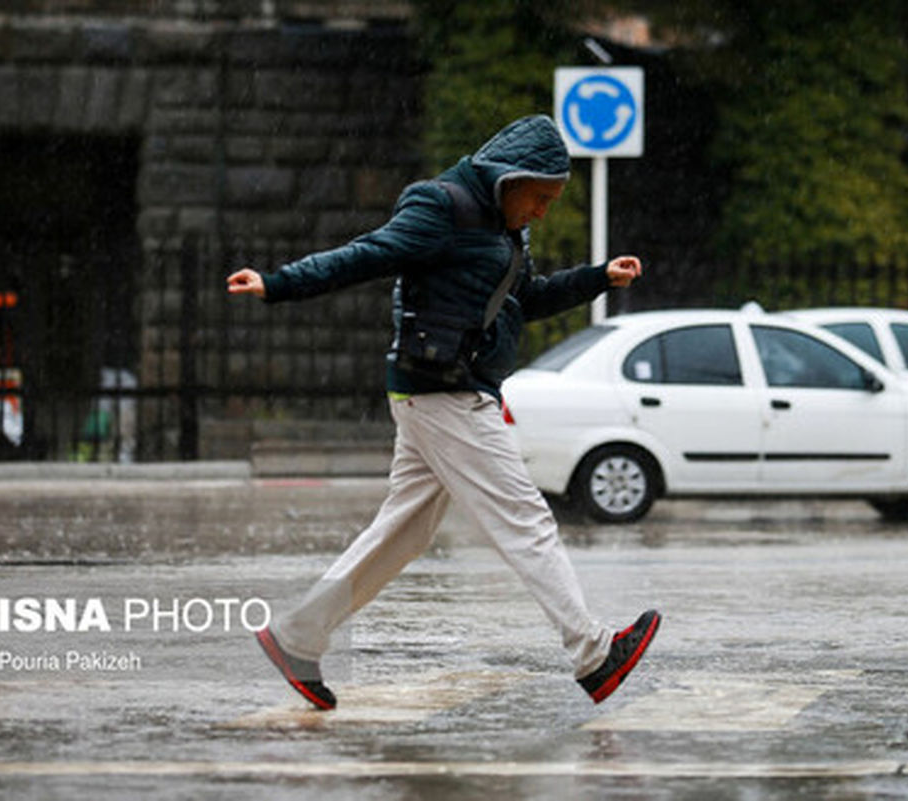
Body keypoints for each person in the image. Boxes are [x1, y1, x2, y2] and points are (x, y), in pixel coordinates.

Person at [227, 114, 660, 711]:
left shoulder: (504, 229)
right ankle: (592, 655)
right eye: (539, 197)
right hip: (445, 393)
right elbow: (367, 254)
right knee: (525, 519)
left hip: (448, 392)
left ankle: (296, 637)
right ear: (512, 179)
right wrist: (278, 283)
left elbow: (523, 299)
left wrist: (595, 279)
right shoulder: (441, 207)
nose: (541, 211)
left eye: (550, 202)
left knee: (403, 534)